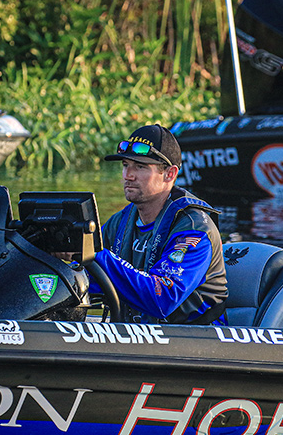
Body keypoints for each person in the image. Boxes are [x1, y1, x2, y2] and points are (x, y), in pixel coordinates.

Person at [93, 124, 228, 325]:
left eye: (140, 167)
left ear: (170, 174)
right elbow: (90, 277)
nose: (128, 175)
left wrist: (95, 256)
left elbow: (162, 298)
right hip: (139, 337)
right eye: (125, 165)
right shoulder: (118, 222)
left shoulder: (194, 229)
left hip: (194, 339)